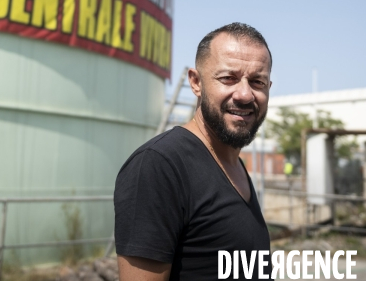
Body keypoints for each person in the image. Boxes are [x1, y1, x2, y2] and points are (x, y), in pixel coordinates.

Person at [114, 22, 273, 280]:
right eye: (228, 78)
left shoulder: (233, 164)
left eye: (257, 82)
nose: (245, 94)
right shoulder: (160, 166)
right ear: (196, 82)